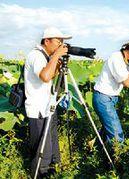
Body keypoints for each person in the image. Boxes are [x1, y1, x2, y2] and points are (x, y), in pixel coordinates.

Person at [24, 27, 71, 177]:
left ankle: (53, 169)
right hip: (37, 108)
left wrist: (56, 60)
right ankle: (39, 174)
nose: (60, 45)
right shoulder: (36, 55)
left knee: (51, 142)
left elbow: (51, 75)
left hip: (48, 106)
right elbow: (45, 76)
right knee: (42, 147)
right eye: (58, 42)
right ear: (47, 41)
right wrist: (56, 56)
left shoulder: (45, 56)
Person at [93, 35, 129, 144]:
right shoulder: (116, 58)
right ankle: (115, 159)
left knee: (106, 131)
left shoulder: (125, 61)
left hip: (110, 99)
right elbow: (127, 83)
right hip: (103, 98)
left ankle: (97, 152)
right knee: (117, 136)